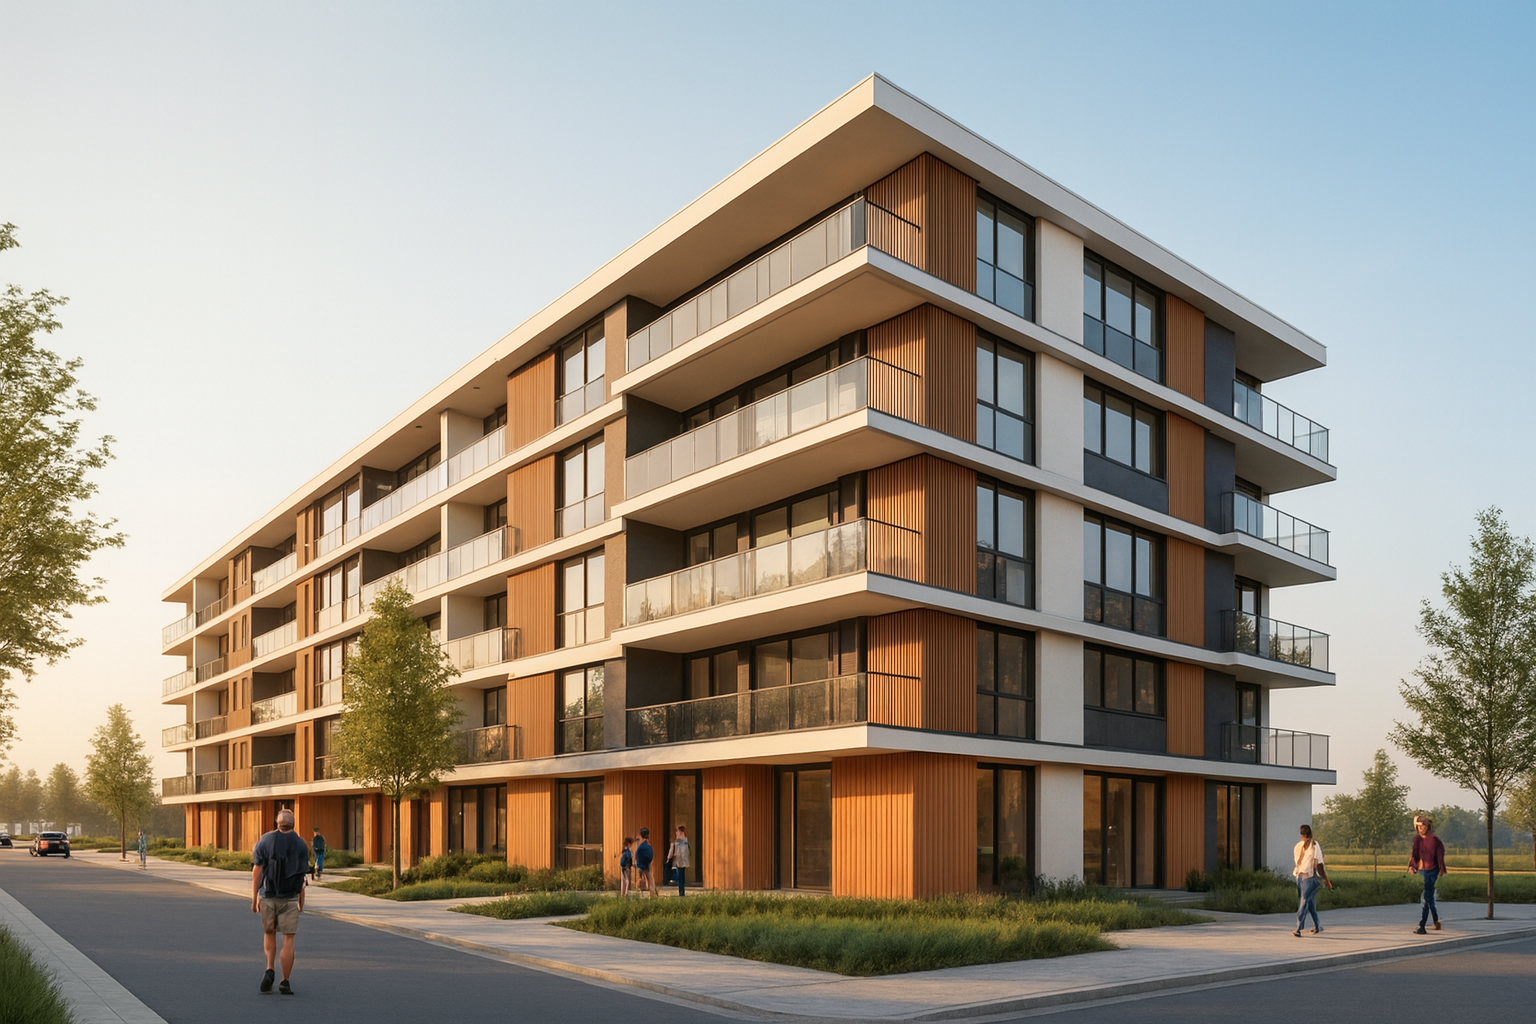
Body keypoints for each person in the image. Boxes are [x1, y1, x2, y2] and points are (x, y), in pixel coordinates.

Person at [251, 808, 309, 995]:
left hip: (268, 895)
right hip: (290, 897)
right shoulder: (300, 844)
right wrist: (301, 901)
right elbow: (302, 875)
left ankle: (270, 968)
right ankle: (285, 981)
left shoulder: (265, 840)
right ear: (293, 824)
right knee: (288, 938)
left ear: (277, 823)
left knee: (269, 932)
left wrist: (254, 897)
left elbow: (257, 870)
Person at [1292, 823, 1333, 937]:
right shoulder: (1312, 845)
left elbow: (1303, 863)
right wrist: (1326, 880)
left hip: (1304, 877)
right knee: (1308, 903)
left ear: (1301, 834)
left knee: (1304, 901)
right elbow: (1320, 865)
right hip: (1306, 877)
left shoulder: (1302, 846)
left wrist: (1325, 879)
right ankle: (1317, 925)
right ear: (1311, 833)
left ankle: (1299, 928)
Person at [1408, 814, 1446, 934]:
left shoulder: (1435, 841)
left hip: (1432, 870)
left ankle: (1422, 926)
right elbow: (1414, 854)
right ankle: (1436, 921)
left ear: (1428, 826)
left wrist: (1441, 868)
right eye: (1419, 826)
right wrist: (1412, 866)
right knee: (1429, 899)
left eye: (1423, 825)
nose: (1421, 828)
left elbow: (1440, 855)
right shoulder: (1417, 839)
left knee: (1426, 898)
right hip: (1422, 870)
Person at [666, 825, 691, 897]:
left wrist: (669, 857)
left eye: (677, 831)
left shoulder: (676, 842)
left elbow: (671, 854)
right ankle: (682, 892)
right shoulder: (686, 842)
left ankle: (681, 892)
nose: (676, 833)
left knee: (678, 877)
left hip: (677, 862)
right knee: (682, 877)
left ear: (681, 832)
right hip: (684, 862)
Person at [635, 827, 654, 897]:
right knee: (649, 879)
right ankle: (651, 894)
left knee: (641, 880)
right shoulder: (648, 846)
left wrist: (637, 864)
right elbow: (651, 855)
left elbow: (638, 856)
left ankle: (641, 895)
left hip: (641, 865)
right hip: (647, 864)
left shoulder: (641, 847)